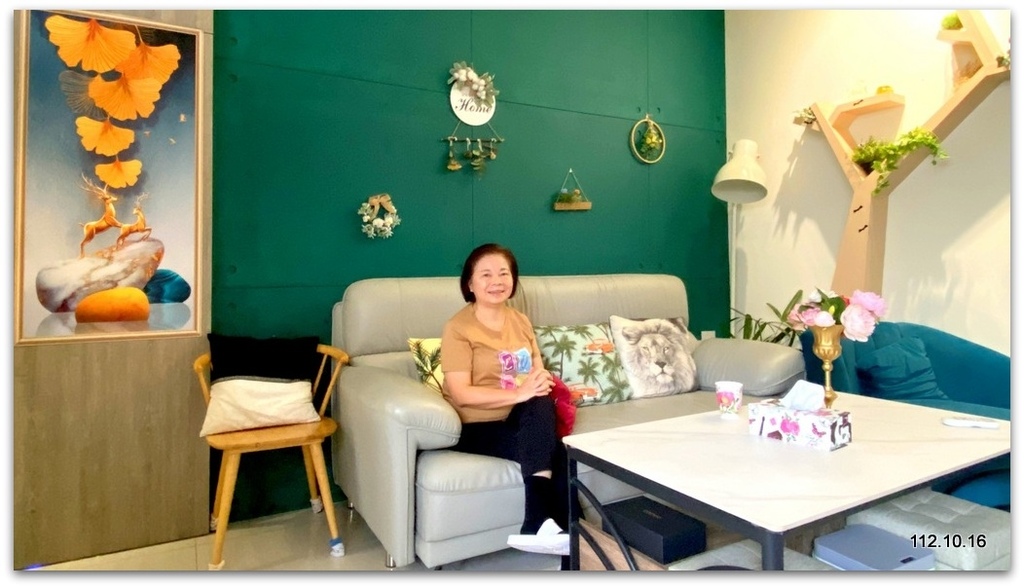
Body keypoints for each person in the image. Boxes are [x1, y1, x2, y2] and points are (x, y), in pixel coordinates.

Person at [440, 243, 569, 538]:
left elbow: (537, 374)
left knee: (541, 405)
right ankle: (573, 544)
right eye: (485, 275)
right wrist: (519, 394)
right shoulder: (458, 328)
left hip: (519, 417)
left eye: (503, 273)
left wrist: (536, 385)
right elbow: (461, 394)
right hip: (474, 425)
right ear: (469, 284)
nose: (496, 281)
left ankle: (547, 530)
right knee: (555, 454)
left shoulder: (520, 321)